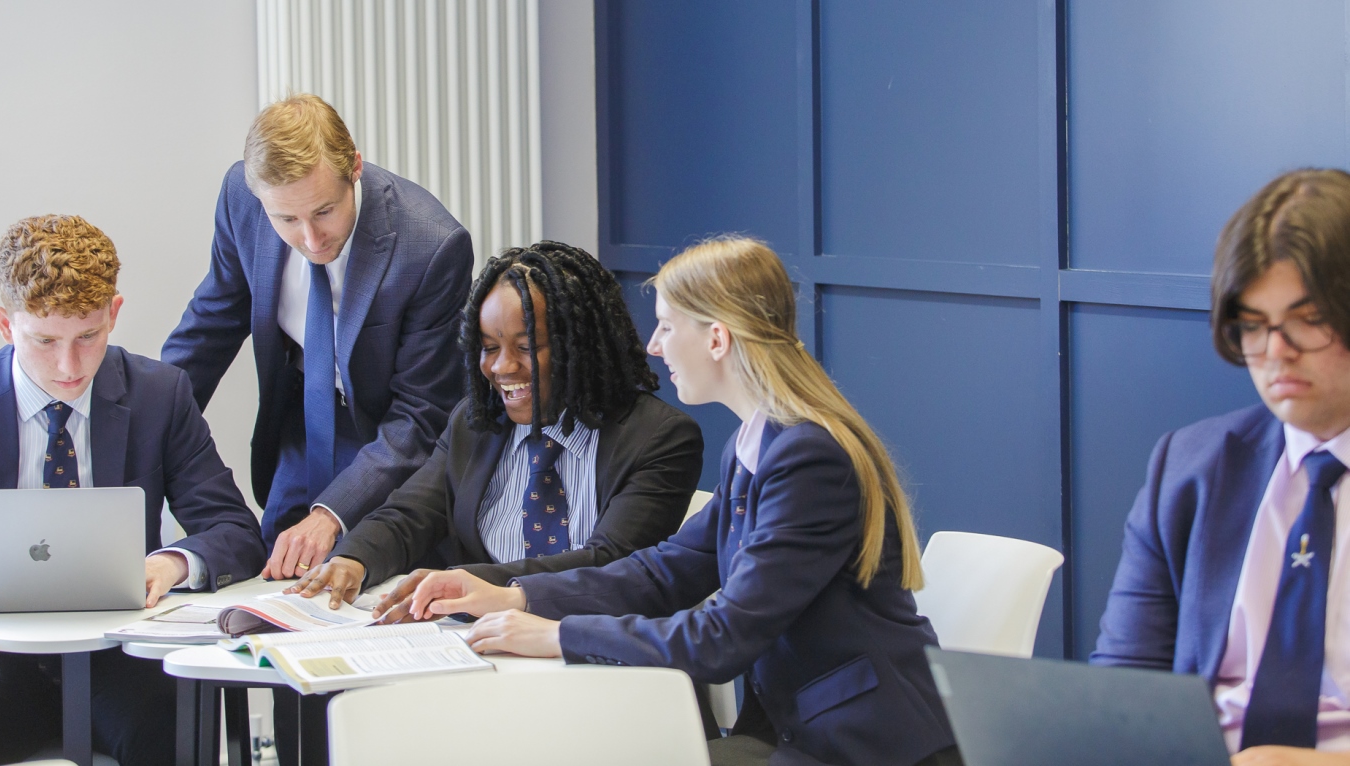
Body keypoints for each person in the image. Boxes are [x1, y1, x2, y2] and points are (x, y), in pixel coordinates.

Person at [404, 237, 960, 766]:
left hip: (867, 746)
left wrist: (558, 635)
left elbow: (722, 637)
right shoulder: (759, 444)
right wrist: (517, 597)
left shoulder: (807, 459)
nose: (653, 345)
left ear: (716, 339)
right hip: (804, 734)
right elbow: (667, 571)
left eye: (668, 326)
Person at [0, 214, 266, 766]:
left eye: (88, 336)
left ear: (114, 314)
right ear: (4, 324)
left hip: (118, 659)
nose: (69, 366)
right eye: (44, 340)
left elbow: (235, 531)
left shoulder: (160, 395)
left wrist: (170, 565)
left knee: (171, 737)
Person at [287, 241, 704, 616]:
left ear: (581, 346)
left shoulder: (658, 438)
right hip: (478, 649)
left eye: (525, 348)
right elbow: (411, 514)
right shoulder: (478, 423)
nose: (502, 367)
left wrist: (470, 581)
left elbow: (610, 562)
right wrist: (354, 559)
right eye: (488, 348)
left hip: (597, 653)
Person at [1092, 169, 1350, 765]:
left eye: (1307, 320)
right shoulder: (1191, 469)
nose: (1275, 352)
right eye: (1254, 326)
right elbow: (1125, 695)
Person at [162, 93, 473, 580]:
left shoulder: (429, 246)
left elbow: (422, 412)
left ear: (354, 167)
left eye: (324, 211)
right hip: (302, 419)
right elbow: (211, 323)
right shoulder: (241, 197)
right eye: (286, 220)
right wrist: (148, 423)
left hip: (386, 432)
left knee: (365, 579)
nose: (311, 239)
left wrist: (331, 514)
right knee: (276, 568)